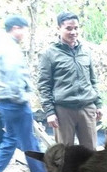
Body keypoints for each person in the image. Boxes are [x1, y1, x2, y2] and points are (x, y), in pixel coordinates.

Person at [0, 15, 48, 172]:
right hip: (15, 101)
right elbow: (14, 75)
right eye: (24, 29)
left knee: (10, 139)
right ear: (16, 28)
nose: (25, 34)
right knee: (29, 142)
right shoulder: (9, 48)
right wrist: (21, 98)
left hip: (4, 101)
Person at [37, 11, 103, 149]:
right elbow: (44, 85)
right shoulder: (49, 54)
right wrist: (49, 112)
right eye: (68, 28)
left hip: (87, 108)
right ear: (58, 29)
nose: (73, 32)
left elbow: (93, 80)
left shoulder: (86, 51)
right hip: (63, 111)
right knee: (64, 154)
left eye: (76, 28)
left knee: (90, 153)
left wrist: (98, 104)